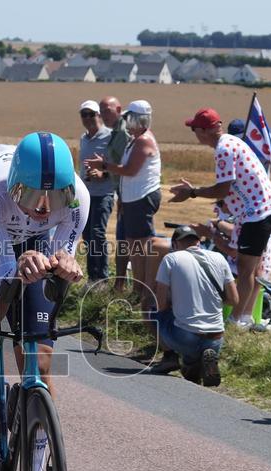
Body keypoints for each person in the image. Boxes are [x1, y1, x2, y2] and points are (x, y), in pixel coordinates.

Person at [0, 132, 90, 449]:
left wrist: (64, 264)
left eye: (53, 199)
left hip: (31, 241)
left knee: (38, 361)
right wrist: (20, 264)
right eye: (31, 195)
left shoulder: (79, 197)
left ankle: (39, 464)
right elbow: (3, 275)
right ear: (14, 185)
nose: (42, 208)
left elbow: (61, 256)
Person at [169, 107, 271, 328]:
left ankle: (236, 320)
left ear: (204, 131)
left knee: (246, 267)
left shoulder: (224, 148)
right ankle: (245, 317)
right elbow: (230, 189)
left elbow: (222, 189)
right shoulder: (230, 142)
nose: (194, 134)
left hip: (258, 211)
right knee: (249, 267)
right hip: (260, 209)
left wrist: (192, 192)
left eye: (194, 129)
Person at [84, 100, 162, 324]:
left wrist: (105, 166)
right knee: (133, 246)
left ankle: (142, 293)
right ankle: (138, 291)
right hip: (132, 200)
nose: (126, 122)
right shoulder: (136, 140)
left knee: (140, 248)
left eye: (129, 118)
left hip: (140, 199)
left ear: (139, 119)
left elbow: (130, 170)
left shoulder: (143, 140)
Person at [151, 225, 238, 386]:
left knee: (153, 309)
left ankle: (170, 357)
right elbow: (233, 300)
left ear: (175, 244)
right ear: (199, 242)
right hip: (216, 336)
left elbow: (160, 304)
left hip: (185, 337)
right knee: (192, 363)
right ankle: (199, 361)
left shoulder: (171, 259)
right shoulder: (219, 258)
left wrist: (173, 302)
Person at [77, 100, 114, 282]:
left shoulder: (110, 137)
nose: (88, 118)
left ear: (99, 115)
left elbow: (119, 166)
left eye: (91, 114)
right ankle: (93, 278)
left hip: (104, 193)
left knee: (98, 233)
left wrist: (103, 173)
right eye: (84, 114)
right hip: (86, 194)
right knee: (87, 236)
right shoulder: (83, 138)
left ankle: (103, 278)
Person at [99, 96, 130, 292]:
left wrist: (103, 168)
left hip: (129, 191)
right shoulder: (116, 131)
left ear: (118, 109)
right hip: (122, 190)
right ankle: (121, 282)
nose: (103, 116)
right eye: (101, 112)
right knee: (123, 238)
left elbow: (128, 167)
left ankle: (122, 284)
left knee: (127, 239)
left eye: (107, 111)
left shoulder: (125, 132)